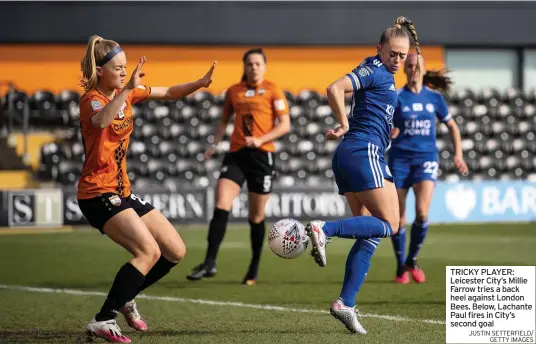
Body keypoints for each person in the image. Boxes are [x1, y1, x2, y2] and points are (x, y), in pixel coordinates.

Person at [77, 35, 215, 343]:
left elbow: (168, 91)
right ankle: (103, 319)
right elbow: (101, 121)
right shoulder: (92, 100)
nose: (125, 72)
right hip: (97, 193)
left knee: (174, 251)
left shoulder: (125, 93)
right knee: (148, 251)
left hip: (122, 191)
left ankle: (127, 295)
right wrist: (125, 90)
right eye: (118, 68)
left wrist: (199, 83)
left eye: (126, 67)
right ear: (101, 71)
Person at [305, 17, 419, 334]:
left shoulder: (383, 74)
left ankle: (346, 303)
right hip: (362, 151)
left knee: (369, 234)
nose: (397, 60)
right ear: (379, 49)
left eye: (402, 55)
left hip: (354, 153)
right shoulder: (375, 69)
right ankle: (323, 229)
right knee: (393, 224)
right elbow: (334, 88)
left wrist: (388, 130)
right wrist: (342, 122)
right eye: (392, 53)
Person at [186, 48, 291, 285]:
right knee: (222, 204)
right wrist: (215, 144)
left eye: (257, 64)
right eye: (249, 64)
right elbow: (224, 120)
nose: (253, 67)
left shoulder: (273, 90)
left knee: (256, 216)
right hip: (236, 155)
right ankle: (209, 262)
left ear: (264, 67)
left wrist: (261, 140)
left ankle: (253, 268)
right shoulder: (234, 91)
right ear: (244, 67)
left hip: (262, 157)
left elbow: (285, 125)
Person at [388, 55, 468, 284]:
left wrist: (458, 154)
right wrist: (389, 133)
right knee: (398, 218)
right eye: (410, 66)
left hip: (426, 158)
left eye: (417, 66)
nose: (413, 69)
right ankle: (400, 265)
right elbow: (383, 126)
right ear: (404, 70)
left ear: (423, 70)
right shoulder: (396, 97)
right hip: (400, 159)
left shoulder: (434, 97)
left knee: (422, 212)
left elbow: (452, 126)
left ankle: (411, 260)